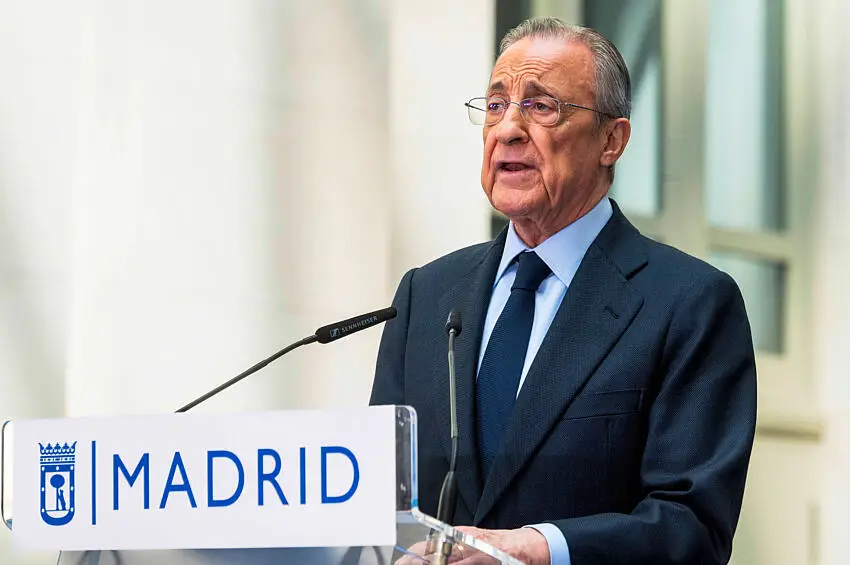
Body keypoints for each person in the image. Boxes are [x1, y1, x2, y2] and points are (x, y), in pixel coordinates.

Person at [371, 17, 756, 565]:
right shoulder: (425, 296)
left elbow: (693, 527)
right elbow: (380, 503)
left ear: (611, 140)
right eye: (496, 105)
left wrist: (539, 549)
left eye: (541, 106)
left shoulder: (689, 304)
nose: (508, 129)